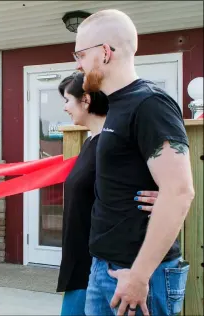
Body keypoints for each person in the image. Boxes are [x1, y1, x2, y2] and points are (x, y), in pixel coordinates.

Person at [74, 9, 194, 316]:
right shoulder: (117, 105)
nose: (78, 64)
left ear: (105, 52)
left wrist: (139, 276)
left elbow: (180, 191)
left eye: (81, 54)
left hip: (139, 276)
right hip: (107, 268)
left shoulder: (149, 103)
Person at [56, 71, 159, 316]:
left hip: (105, 267)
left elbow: (166, 184)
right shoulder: (91, 142)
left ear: (86, 101)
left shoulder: (115, 144)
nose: (64, 107)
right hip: (82, 263)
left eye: (67, 100)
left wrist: (164, 198)